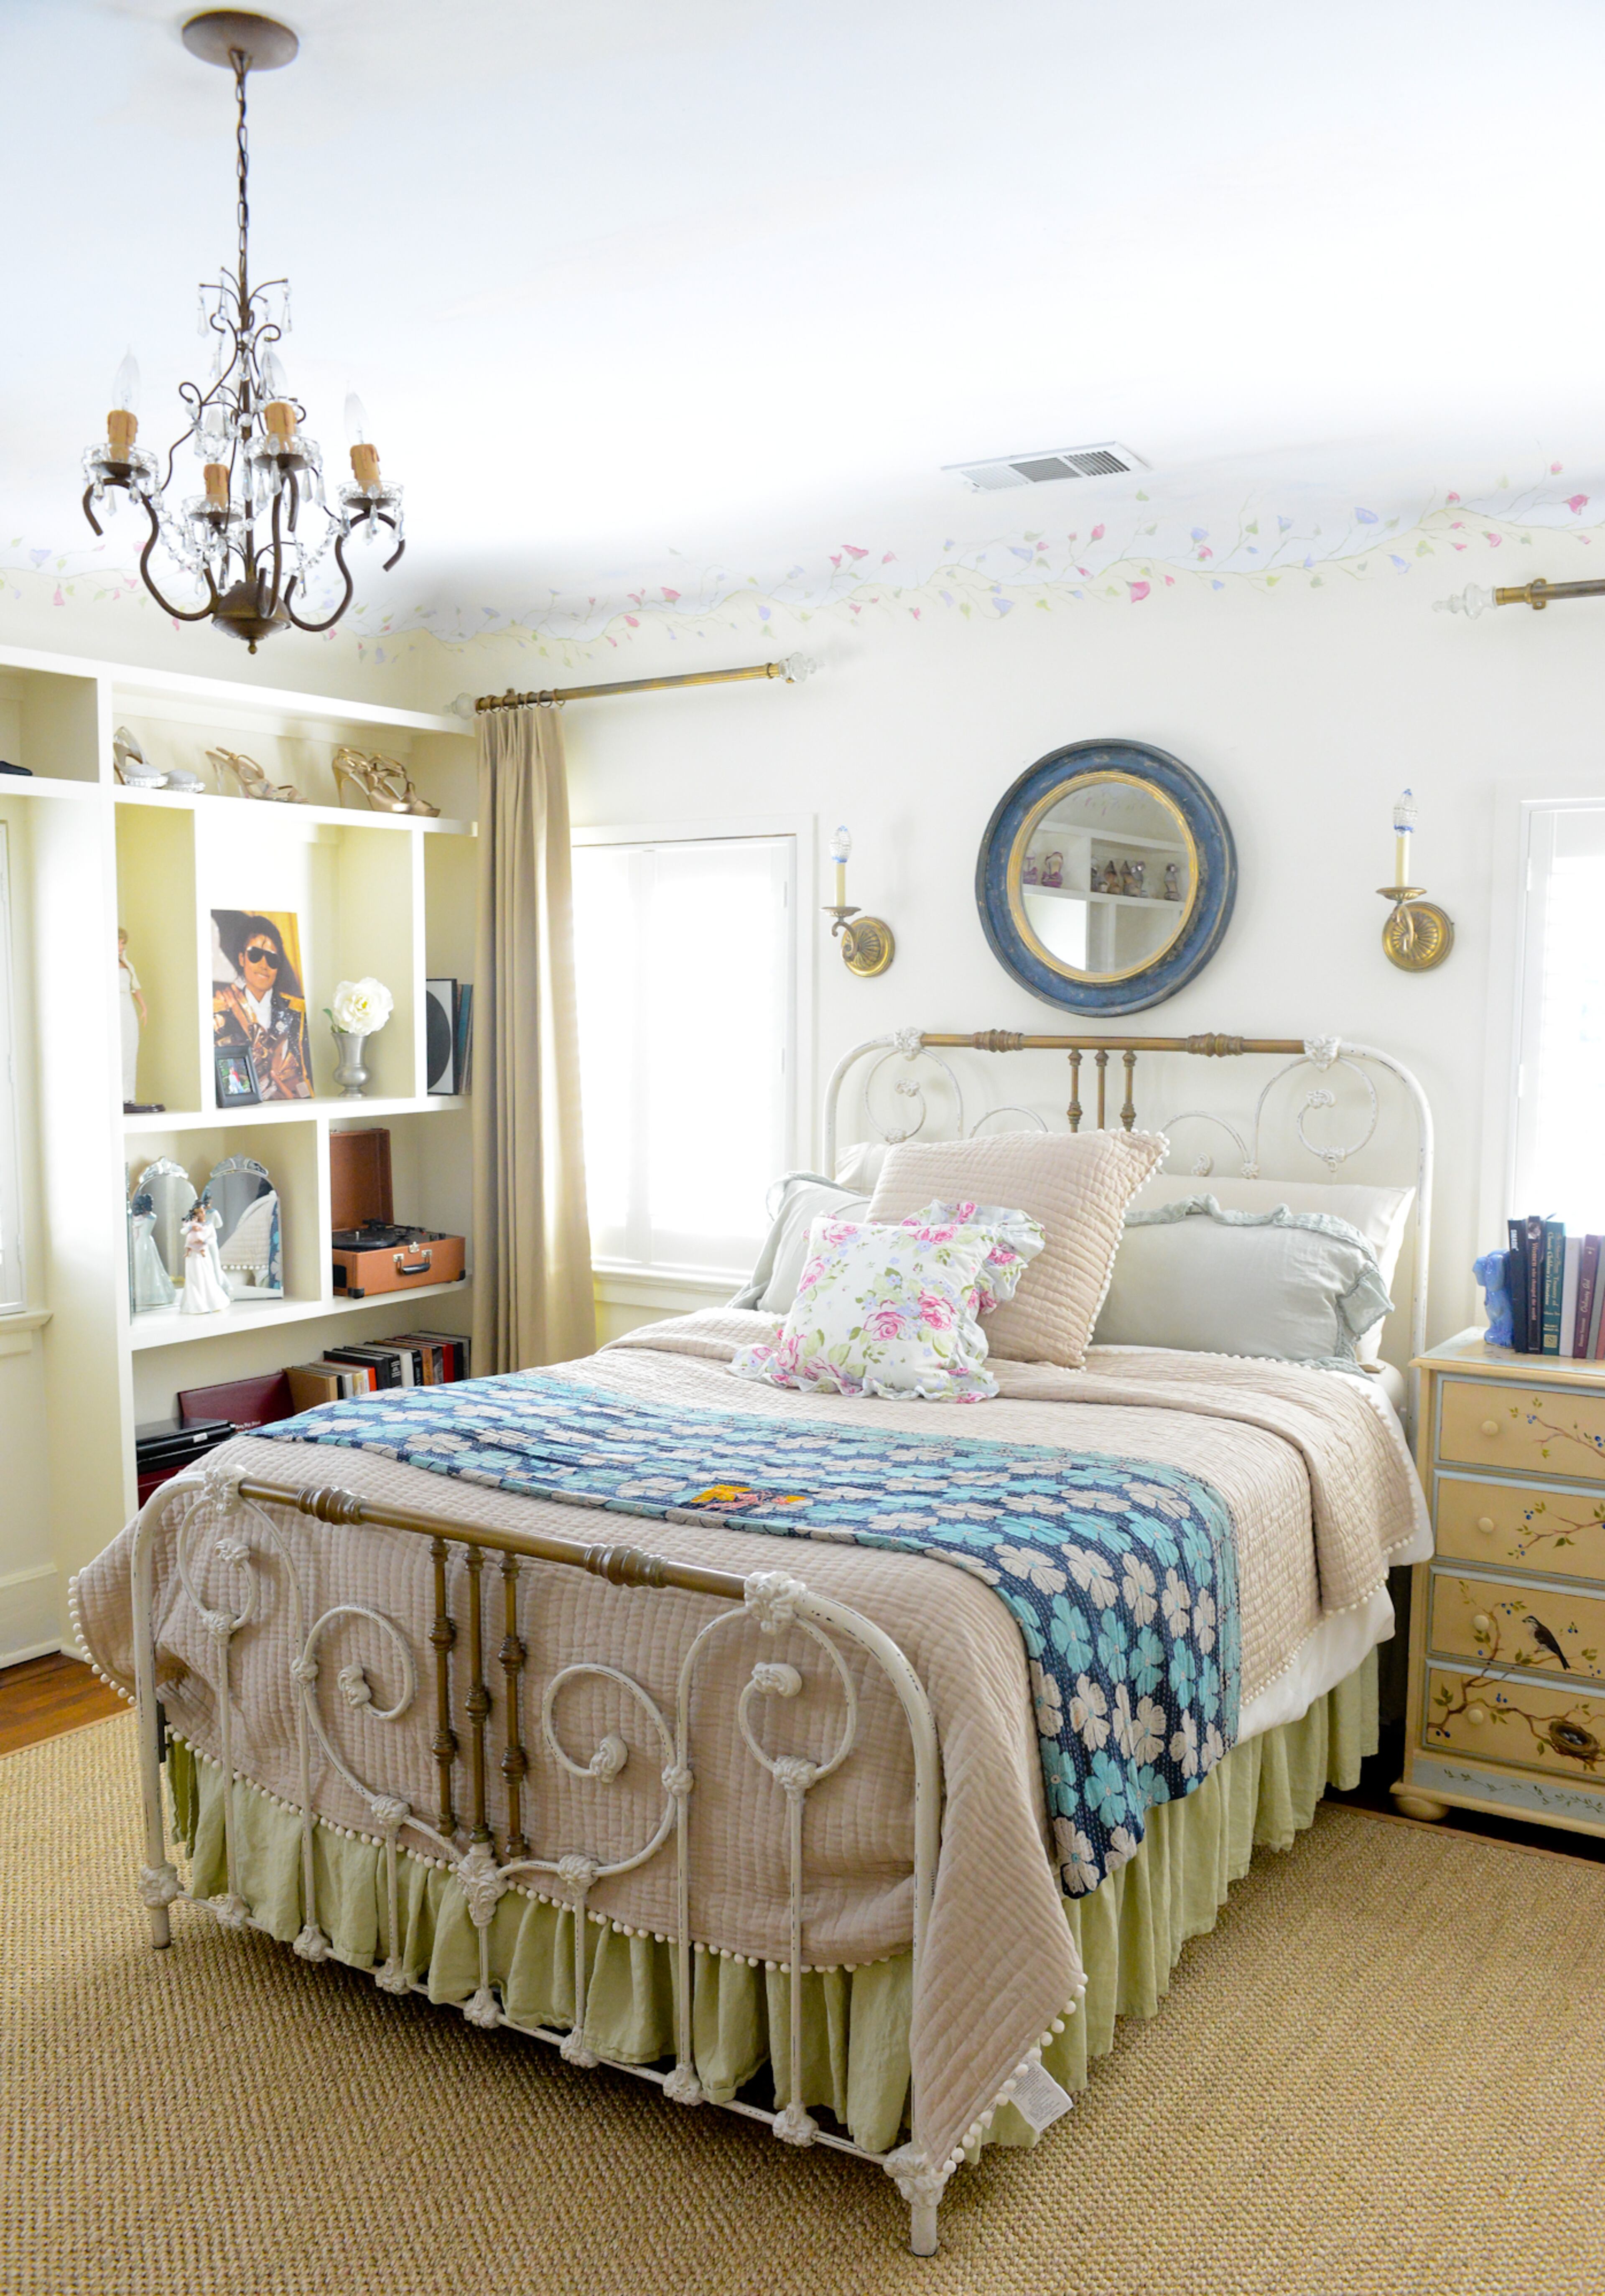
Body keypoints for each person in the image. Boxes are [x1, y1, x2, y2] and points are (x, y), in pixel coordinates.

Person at [212, 912, 312, 1100]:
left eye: (272, 959)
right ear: (242, 959)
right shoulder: (221, 1010)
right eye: (255, 955)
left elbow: (307, 1076)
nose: (264, 965)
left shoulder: (297, 1011)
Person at [178, 1202, 231, 1315]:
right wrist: (190, 1228)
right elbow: (183, 1232)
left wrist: (205, 1242)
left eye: (202, 1212)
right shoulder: (192, 1224)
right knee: (195, 1276)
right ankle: (196, 1303)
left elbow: (213, 1238)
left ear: (205, 1212)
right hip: (193, 1254)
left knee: (207, 1275)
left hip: (204, 1253)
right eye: (197, 1213)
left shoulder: (209, 1225)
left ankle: (210, 1301)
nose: (200, 1214)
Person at [117, 928, 147, 1107]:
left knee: (129, 1049)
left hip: (127, 1007)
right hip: (113, 1006)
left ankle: (128, 1095)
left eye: (123, 944)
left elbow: (135, 987)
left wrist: (143, 1007)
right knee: (117, 1050)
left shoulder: (127, 965)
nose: (121, 947)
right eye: (118, 943)